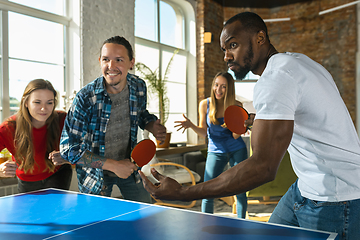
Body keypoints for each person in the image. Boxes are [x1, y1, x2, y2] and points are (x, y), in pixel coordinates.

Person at [139, 12, 360, 239]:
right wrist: (264, 120)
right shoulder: (299, 62)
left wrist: (184, 192)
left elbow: (262, 167)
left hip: (335, 198)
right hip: (305, 186)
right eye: (224, 50)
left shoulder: (275, 78)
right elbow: (310, 118)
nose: (226, 56)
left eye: (233, 45)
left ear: (260, 38)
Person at [60, 36, 166, 203]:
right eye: (106, 59)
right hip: (95, 176)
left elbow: (140, 114)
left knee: (146, 218)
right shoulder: (85, 97)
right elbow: (69, 149)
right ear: (100, 61)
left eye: (119, 60)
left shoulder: (139, 87)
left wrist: (151, 124)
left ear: (131, 63)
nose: (111, 66)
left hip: (129, 166)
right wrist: (114, 165)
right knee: (96, 226)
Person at [174, 72, 248, 218]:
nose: (218, 90)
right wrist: (191, 125)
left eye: (223, 87)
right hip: (215, 151)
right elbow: (204, 133)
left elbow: (235, 135)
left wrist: (238, 127)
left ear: (230, 89)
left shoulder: (237, 106)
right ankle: (206, 223)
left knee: (240, 190)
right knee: (207, 191)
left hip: (237, 149)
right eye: (216, 85)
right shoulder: (205, 104)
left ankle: (242, 223)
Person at [0, 79, 72, 193]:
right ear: (26, 102)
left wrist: (68, 157)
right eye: (37, 102)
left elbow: (86, 147)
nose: (44, 108)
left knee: (52, 209)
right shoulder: (8, 128)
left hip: (57, 173)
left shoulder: (63, 119)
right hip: (26, 180)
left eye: (49, 102)